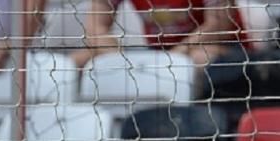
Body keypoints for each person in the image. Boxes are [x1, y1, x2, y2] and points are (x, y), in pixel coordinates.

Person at [70, 0, 250, 68]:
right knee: (79, 60)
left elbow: (219, 24)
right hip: (158, 52)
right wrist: (119, 60)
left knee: (199, 58)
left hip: (222, 49)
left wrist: (176, 55)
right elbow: (95, 27)